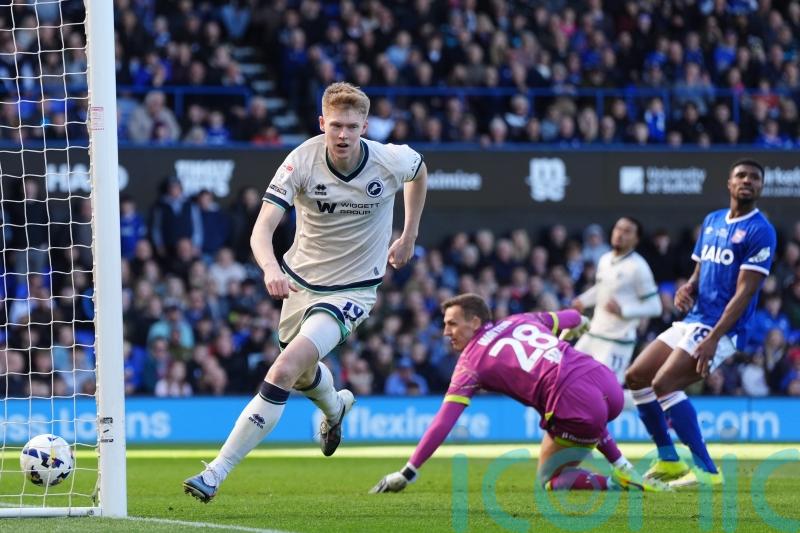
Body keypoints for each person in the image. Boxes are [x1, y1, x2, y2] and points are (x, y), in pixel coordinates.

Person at [184, 82, 428, 502]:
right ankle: (335, 407)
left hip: (353, 290)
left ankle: (214, 472)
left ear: (365, 126)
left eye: (352, 126)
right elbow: (262, 228)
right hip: (300, 283)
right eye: (335, 125)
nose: (343, 135)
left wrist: (408, 236)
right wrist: (269, 266)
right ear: (322, 123)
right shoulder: (300, 161)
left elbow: (419, 171)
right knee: (299, 376)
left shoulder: (388, 160)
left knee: (282, 369)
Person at [370, 294, 666, 494]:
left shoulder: (470, 363)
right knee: (584, 415)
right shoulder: (519, 319)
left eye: (452, 324)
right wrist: (583, 325)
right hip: (603, 380)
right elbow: (573, 317)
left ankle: (621, 479)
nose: (446, 332)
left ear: (475, 322)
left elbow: (443, 422)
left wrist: (408, 472)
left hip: (573, 402)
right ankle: (624, 463)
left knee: (551, 478)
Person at [625, 159, 776, 488]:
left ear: (761, 187)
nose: (747, 181)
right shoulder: (711, 221)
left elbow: (745, 293)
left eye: (754, 178)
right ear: (729, 183)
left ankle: (706, 470)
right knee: (636, 377)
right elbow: (701, 268)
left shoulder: (761, 231)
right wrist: (689, 286)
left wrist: (713, 339)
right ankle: (668, 460)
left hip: (722, 327)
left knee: (664, 384)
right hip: (692, 320)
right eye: (741, 176)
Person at [572, 217, 662, 384]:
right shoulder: (605, 259)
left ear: (636, 239)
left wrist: (624, 310)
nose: (620, 234)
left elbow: (655, 306)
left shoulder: (639, 267)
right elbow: (601, 289)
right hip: (594, 333)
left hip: (618, 340)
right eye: (618, 228)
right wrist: (583, 301)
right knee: (569, 375)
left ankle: (648, 402)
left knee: (605, 391)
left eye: (627, 231)